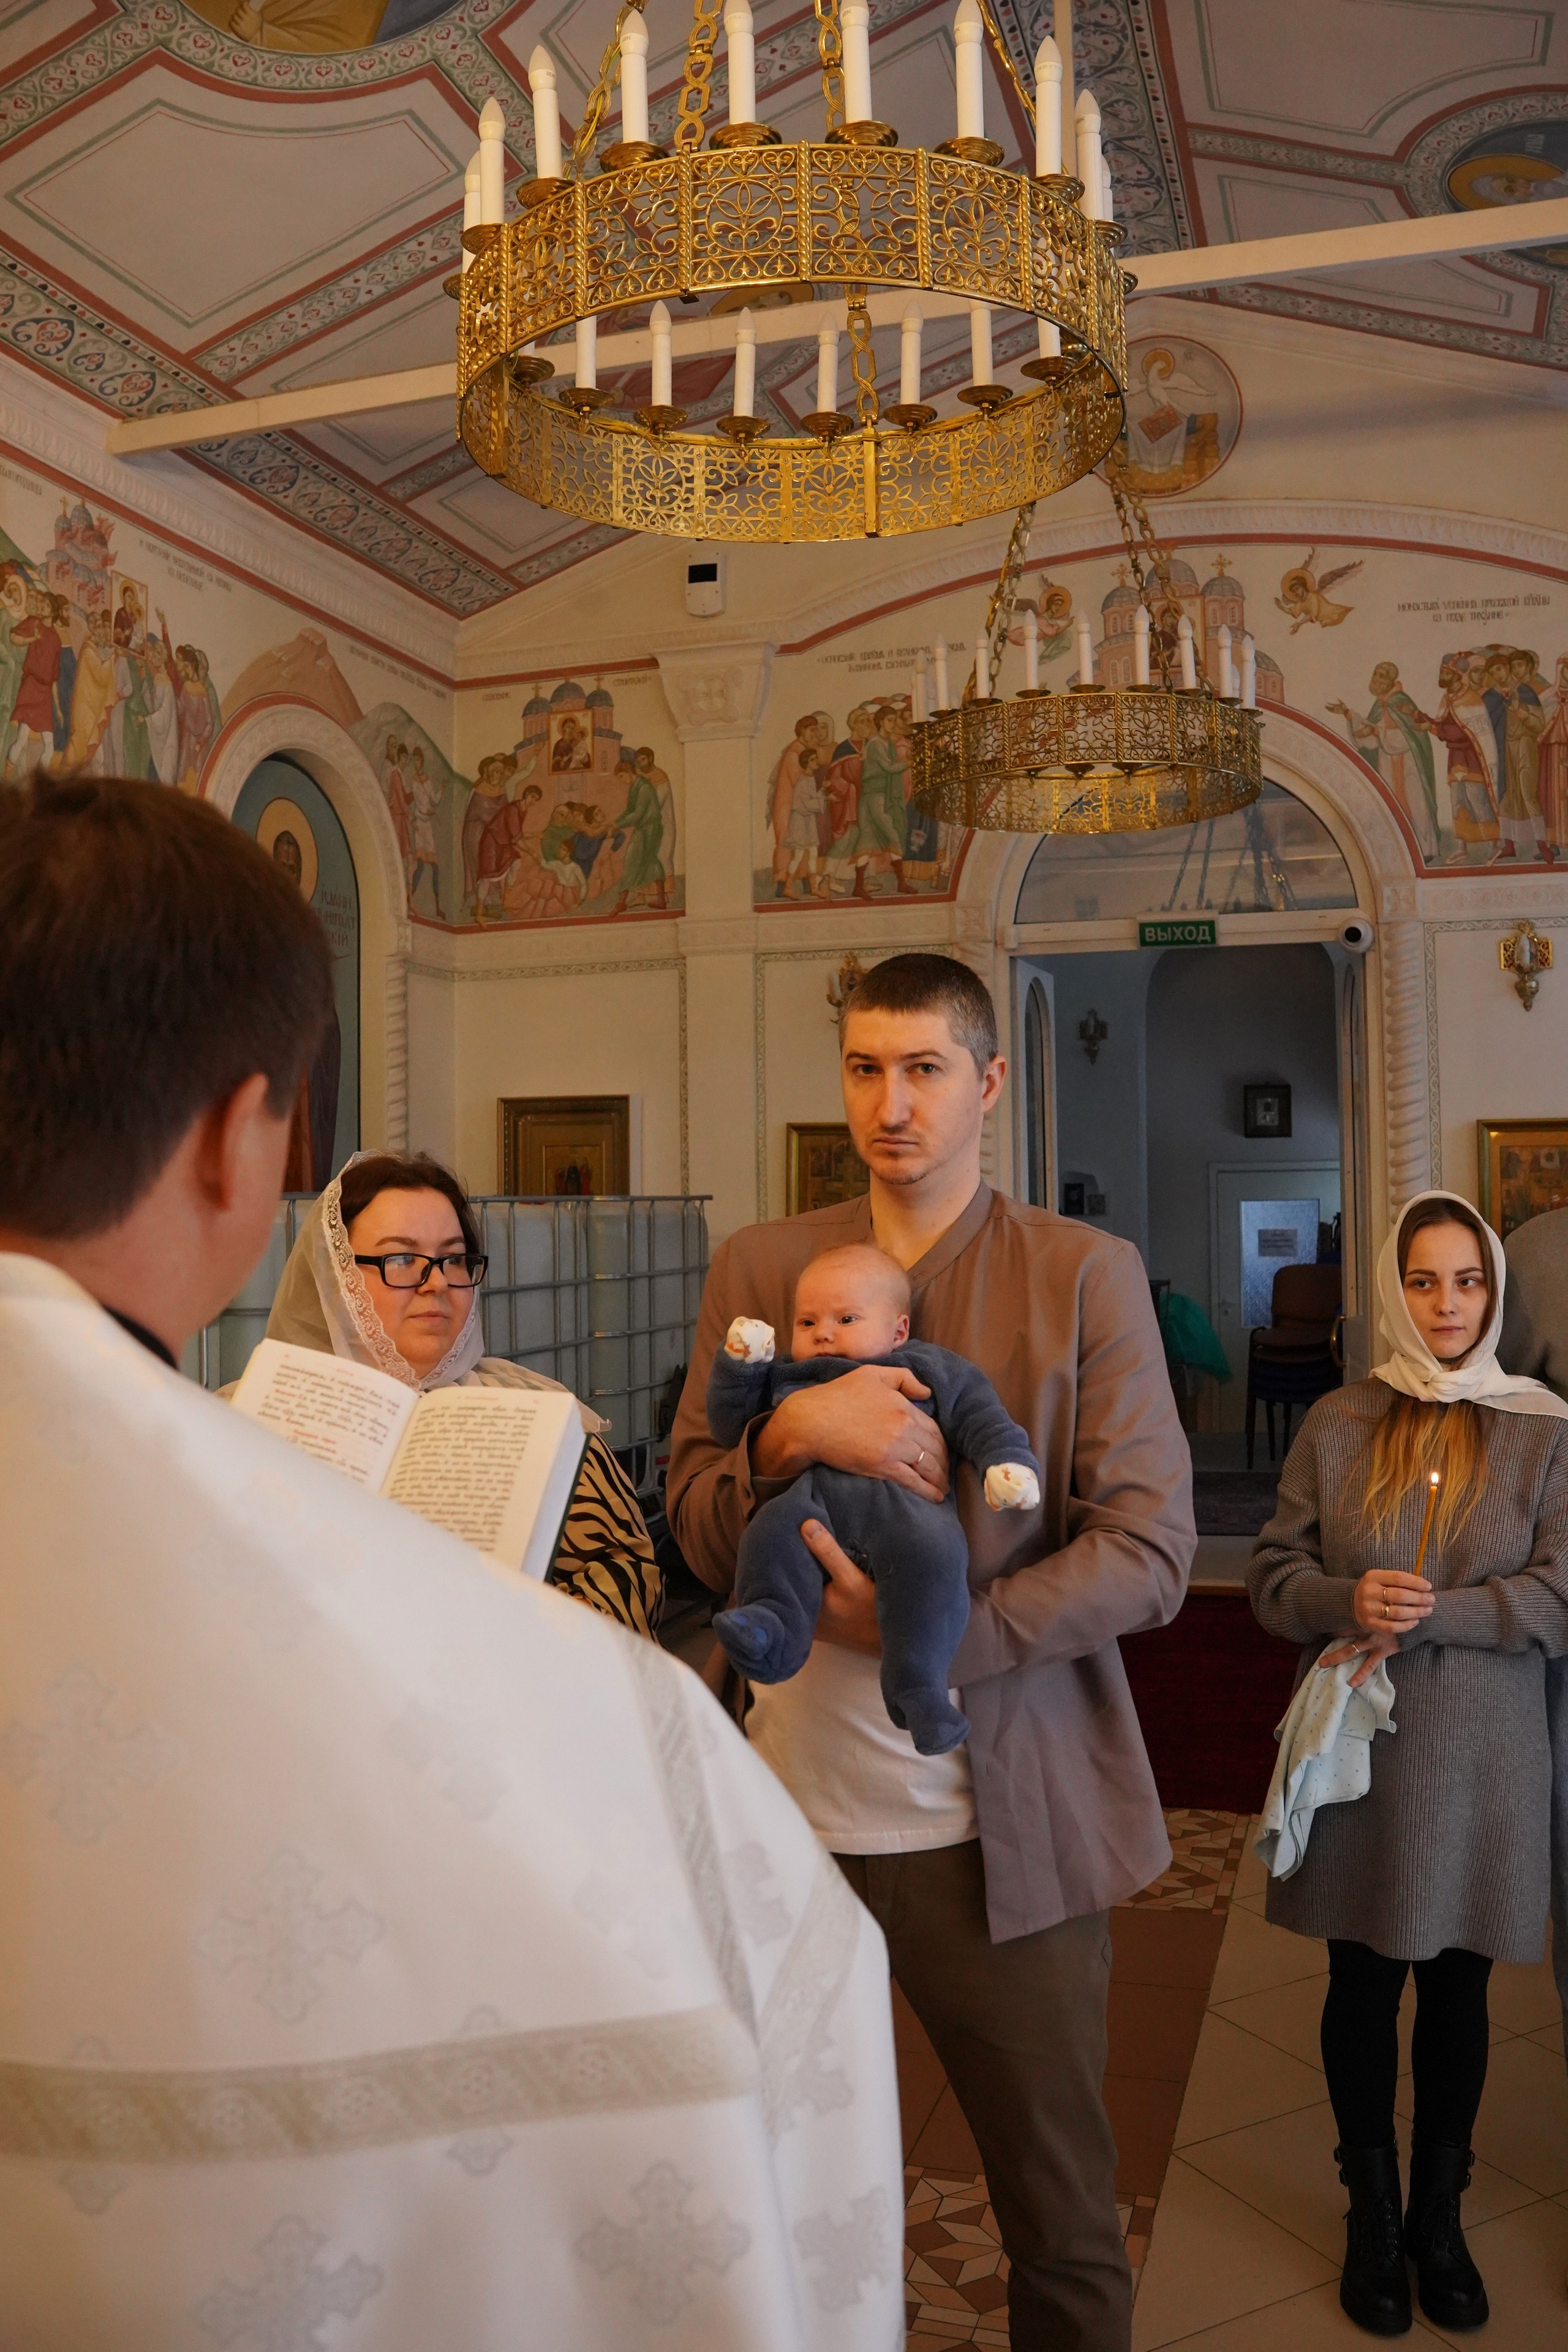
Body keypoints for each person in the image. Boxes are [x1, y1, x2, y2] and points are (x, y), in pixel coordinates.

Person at [0, 774, 904, 2350]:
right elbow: (792, 2102)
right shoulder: (607, 1739)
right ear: (242, 1143)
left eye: (446, 1258)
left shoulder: (537, 1420)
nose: (425, 1284)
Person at [669, 951, 1194, 2352]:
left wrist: (935, 1629)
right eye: (862, 1066)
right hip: (779, 1818)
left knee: (1058, 2219)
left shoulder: (1080, 1272)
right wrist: (791, 1432)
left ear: (988, 1081)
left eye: (921, 1068)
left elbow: (1149, 1549)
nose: (888, 1102)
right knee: (759, 2193)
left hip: (998, 1827)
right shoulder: (762, 1266)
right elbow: (691, 1509)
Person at [1249, 1191, 1568, 2337]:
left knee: (1461, 1987)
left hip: (1484, 1752)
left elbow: (1562, 1594)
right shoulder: (1339, 1419)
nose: (1446, 1303)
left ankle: (1441, 2215)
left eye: (1468, 1281)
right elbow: (1273, 1576)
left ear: (1495, 1293)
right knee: (1363, 1981)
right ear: (1394, 1290)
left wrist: (1449, 1615)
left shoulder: (1543, 1427)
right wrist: (1344, 1595)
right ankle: (1371, 2214)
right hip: (1361, 1758)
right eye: (1424, 1281)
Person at [263, 1148, 663, 1637]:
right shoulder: (255, 1416)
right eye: (402, 1258)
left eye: (453, 1259)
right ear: (337, 1277)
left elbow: (628, 1583)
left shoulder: (541, 1419)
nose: (436, 1285)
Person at [707, 1242, 1041, 1754]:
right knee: (769, 1535)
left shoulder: (925, 1366)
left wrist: (1006, 1462)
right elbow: (731, 1427)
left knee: (937, 1560)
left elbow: (980, 1414)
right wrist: (741, 1366)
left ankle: (921, 1689)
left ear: (898, 1330)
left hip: (907, 1511)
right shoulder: (789, 1377)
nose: (823, 1333)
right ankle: (771, 1629)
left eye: (846, 1318)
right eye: (806, 1322)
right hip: (809, 1503)